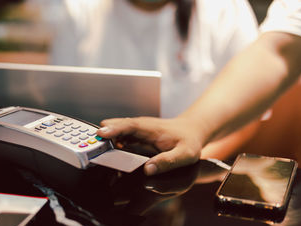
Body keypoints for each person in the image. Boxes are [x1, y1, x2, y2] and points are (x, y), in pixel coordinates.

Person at [96, 0, 301, 176]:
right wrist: (193, 128)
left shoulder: (223, 9)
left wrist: (194, 143)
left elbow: (280, 51)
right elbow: (278, 51)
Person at [47, 0, 260, 159]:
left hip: (192, 173)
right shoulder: (80, 9)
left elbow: (249, 112)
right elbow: (60, 100)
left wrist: (189, 161)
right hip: (94, 166)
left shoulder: (225, 10)